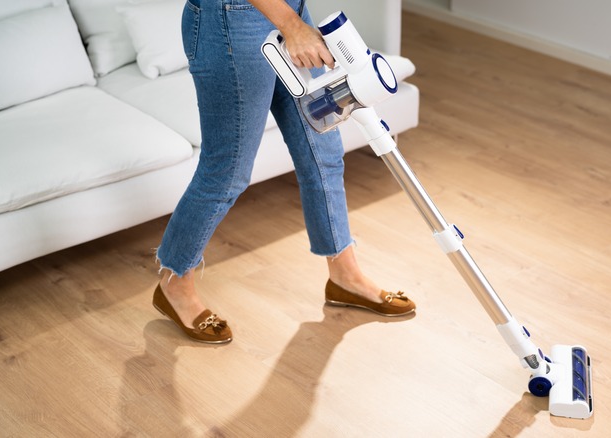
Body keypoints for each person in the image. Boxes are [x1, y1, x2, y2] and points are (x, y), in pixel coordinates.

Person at [152, 0, 415, 344]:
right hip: (231, 21)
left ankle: (345, 277)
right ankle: (173, 283)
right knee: (227, 170)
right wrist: (291, 27)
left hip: (289, 10)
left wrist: (294, 20)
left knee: (323, 151)